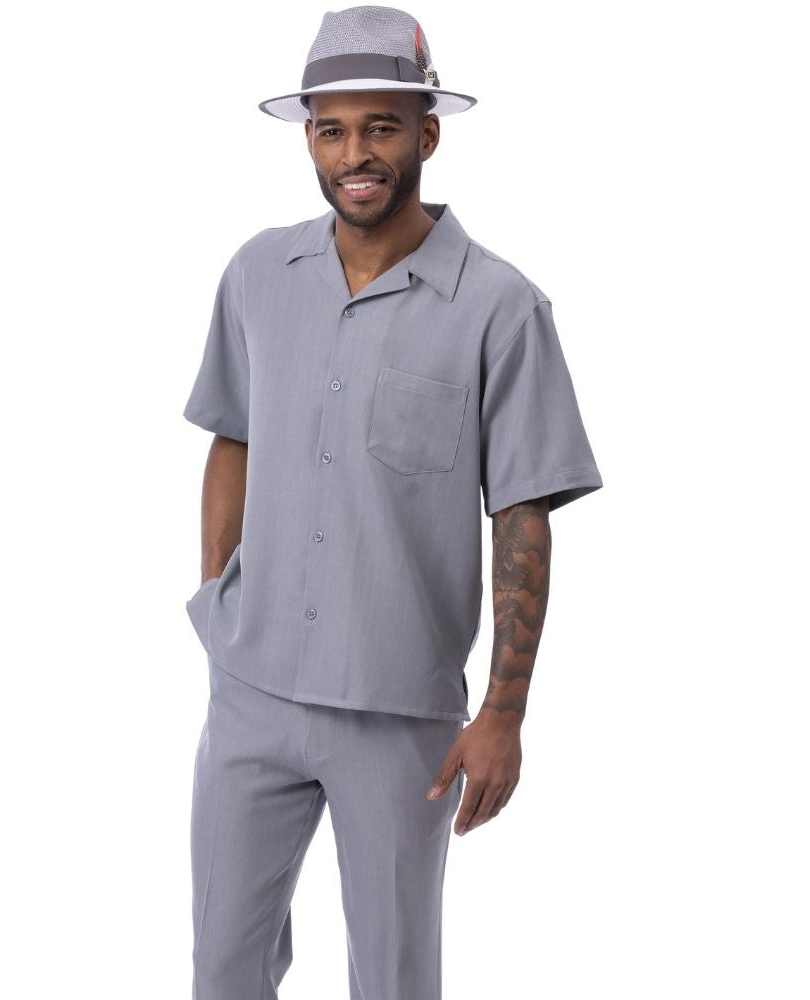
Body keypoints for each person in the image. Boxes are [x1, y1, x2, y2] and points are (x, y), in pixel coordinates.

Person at [182, 6, 604, 998]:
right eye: (331, 129)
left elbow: (523, 514)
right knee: (221, 968)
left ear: (428, 133)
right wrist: (219, 601)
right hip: (250, 689)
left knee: (395, 977)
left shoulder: (501, 308)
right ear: (309, 139)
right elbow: (231, 436)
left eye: (380, 126)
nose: (354, 155)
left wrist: (503, 710)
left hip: (399, 712)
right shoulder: (257, 274)